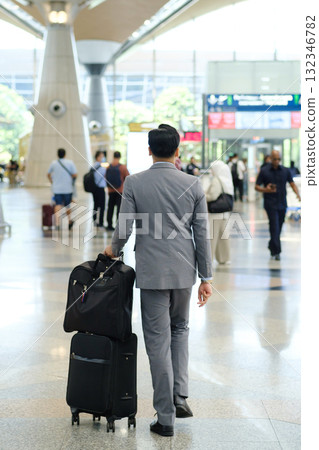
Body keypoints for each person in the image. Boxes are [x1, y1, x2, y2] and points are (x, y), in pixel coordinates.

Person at [104, 124, 213, 437]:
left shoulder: (135, 183)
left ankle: (165, 417)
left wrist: (113, 249)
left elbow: (124, 228)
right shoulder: (193, 184)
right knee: (180, 329)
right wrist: (206, 276)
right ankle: (179, 396)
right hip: (184, 273)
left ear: (149, 150)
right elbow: (202, 234)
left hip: (152, 273)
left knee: (157, 343)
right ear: (177, 150)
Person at [255, 150, 300, 260]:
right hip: (270, 204)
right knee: (274, 226)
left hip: (282, 203)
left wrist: (298, 194)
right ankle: (277, 252)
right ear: (271, 158)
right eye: (275, 159)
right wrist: (265, 189)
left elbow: (292, 183)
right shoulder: (264, 171)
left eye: (279, 159)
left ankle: (272, 244)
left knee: (278, 227)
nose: (277, 161)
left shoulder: (285, 170)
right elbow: (256, 186)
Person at [205, 161, 234, 264]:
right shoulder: (226, 180)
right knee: (223, 237)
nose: (211, 171)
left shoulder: (217, 180)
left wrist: (203, 196)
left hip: (215, 213)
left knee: (212, 237)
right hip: (224, 213)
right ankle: (224, 258)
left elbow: (212, 196)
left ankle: (210, 258)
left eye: (212, 169)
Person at [47, 148, 77, 228]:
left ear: (57, 155)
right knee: (68, 205)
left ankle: (57, 223)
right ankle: (69, 221)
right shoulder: (70, 163)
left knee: (58, 205)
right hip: (68, 188)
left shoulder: (54, 163)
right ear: (65, 154)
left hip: (57, 189)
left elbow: (48, 174)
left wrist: (52, 182)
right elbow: (75, 175)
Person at [106, 151, 129, 231]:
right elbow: (127, 178)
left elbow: (106, 178)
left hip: (111, 190)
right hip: (120, 190)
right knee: (119, 208)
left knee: (110, 208)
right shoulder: (122, 167)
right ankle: (118, 225)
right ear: (120, 157)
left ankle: (109, 224)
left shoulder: (109, 167)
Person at [92, 150, 107, 228]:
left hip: (94, 188)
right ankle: (100, 222)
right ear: (98, 157)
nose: (103, 158)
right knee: (102, 206)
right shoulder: (102, 168)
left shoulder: (92, 166)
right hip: (101, 189)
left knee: (95, 204)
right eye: (101, 156)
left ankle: (94, 220)